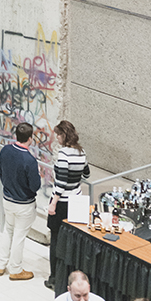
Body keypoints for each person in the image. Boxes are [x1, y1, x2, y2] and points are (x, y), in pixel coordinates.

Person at [45, 120, 90, 289]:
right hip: (76, 199)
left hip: (62, 202)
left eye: (58, 134)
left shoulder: (64, 154)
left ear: (63, 135)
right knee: (71, 239)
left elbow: (61, 182)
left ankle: (55, 278)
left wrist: (53, 204)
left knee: (56, 239)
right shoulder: (81, 152)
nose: (56, 137)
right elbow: (86, 173)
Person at [0, 121, 41, 281]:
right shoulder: (29, 160)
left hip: (7, 199)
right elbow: (35, 186)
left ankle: (1, 264)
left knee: (8, 230)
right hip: (24, 204)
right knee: (19, 236)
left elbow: (0, 172)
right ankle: (15, 269)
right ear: (30, 138)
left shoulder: (5, 150)